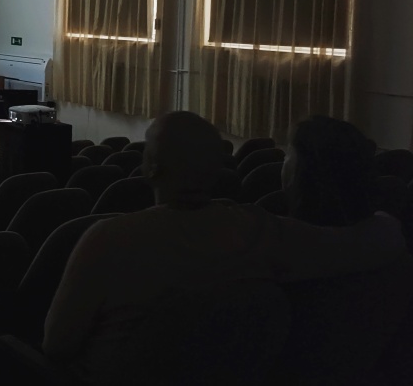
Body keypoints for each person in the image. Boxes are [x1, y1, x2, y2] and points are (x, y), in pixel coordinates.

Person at [43, 111, 406, 384]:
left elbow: (56, 346)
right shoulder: (260, 232)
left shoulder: (108, 238)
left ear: (150, 168)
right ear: (219, 169)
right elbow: (365, 242)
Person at [282, 115, 377, 227]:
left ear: (301, 172)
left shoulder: (278, 236)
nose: (283, 160)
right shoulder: (387, 229)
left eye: (288, 153)